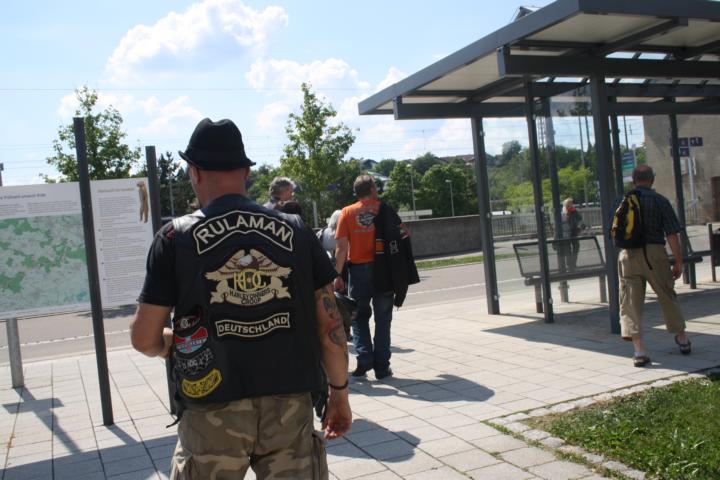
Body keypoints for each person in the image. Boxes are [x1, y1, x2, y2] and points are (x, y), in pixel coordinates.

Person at [130, 118, 351, 479]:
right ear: (246, 172)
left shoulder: (173, 238)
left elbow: (143, 339)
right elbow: (330, 328)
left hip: (210, 409)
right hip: (289, 405)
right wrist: (339, 393)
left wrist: (170, 343)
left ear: (194, 171)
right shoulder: (296, 231)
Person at [334, 175, 419, 380]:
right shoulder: (386, 209)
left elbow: (341, 248)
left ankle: (364, 358)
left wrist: (337, 275)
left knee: (358, 316)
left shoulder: (346, 212)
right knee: (383, 320)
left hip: (358, 271)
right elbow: (404, 236)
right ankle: (382, 367)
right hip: (384, 271)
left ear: (356, 192)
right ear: (372, 189)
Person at [616, 164, 691, 367]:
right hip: (654, 253)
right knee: (666, 294)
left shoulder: (623, 201)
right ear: (652, 180)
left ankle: (639, 351)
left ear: (633, 180)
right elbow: (672, 233)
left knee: (630, 302)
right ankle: (682, 338)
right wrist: (678, 261)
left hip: (627, 255)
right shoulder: (660, 200)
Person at [561, 197, 583, 270]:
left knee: (576, 247)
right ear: (566, 204)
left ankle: (573, 263)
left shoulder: (574, 211)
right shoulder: (563, 212)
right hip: (566, 233)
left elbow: (580, 219)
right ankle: (569, 265)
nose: (572, 205)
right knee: (567, 249)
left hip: (574, 232)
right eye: (570, 203)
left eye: (572, 203)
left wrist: (579, 226)